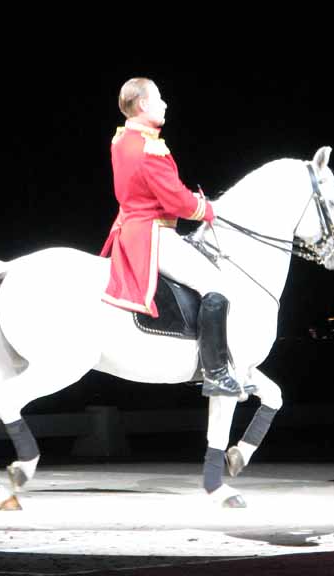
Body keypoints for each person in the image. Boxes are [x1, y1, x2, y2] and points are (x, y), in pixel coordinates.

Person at [100, 77, 244, 397]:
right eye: (160, 99)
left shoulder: (122, 139)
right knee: (217, 285)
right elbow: (175, 200)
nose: (165, 104)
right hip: (154, 233)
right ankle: (217, 372)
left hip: (128, 229)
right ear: (143, 105)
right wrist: (209, 210)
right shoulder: (149, 147)